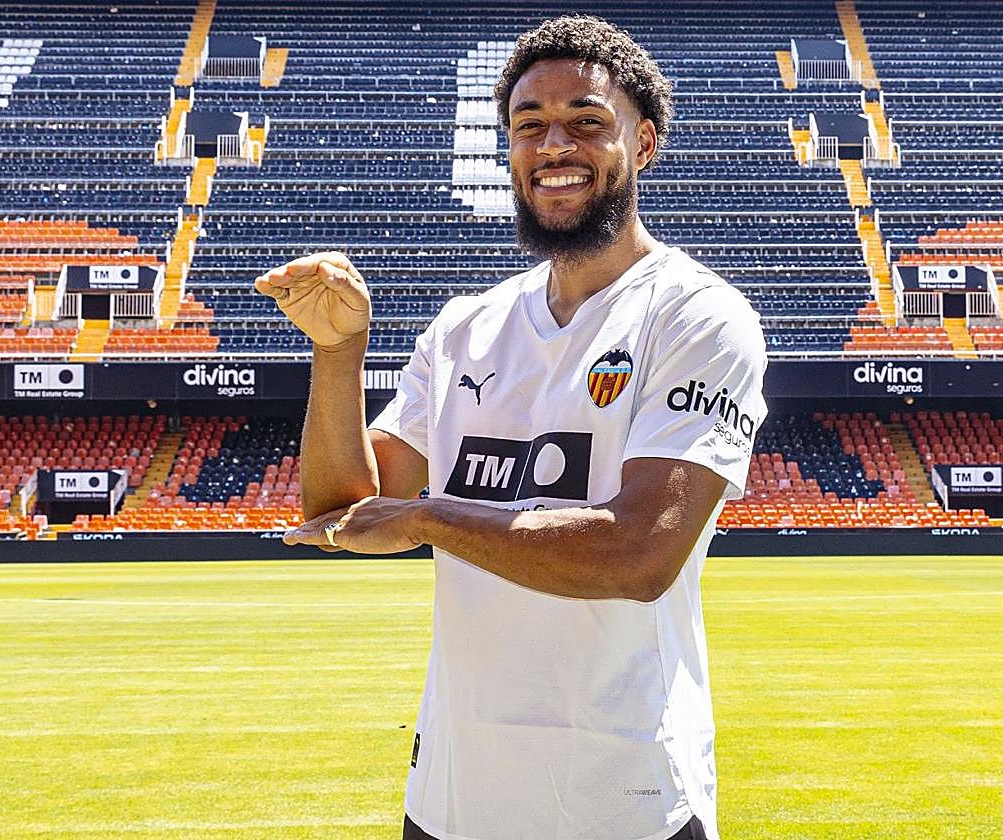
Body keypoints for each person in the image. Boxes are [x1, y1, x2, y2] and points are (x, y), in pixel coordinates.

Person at [255, 15, 767, 840]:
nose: (554, 144)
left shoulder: (697, 316)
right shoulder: (465, 326)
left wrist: (428, 517)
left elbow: (639, 554)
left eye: (586, 122)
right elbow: (343, 509)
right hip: (455, 790)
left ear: (643, 144)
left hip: (622, 790)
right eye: (529, 126)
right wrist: (340, 352)